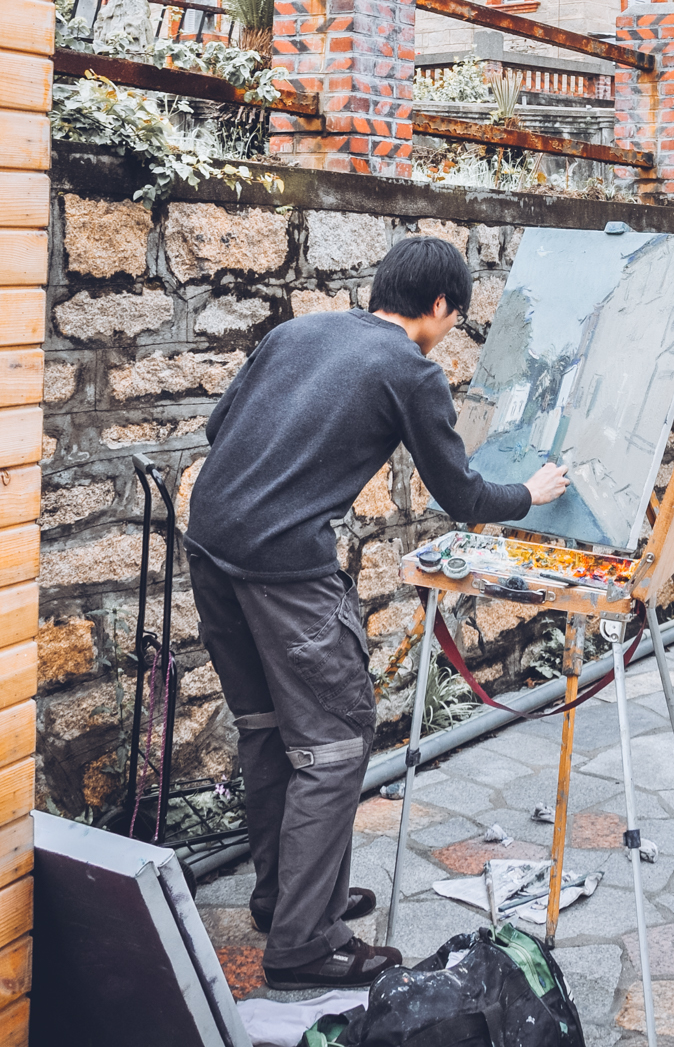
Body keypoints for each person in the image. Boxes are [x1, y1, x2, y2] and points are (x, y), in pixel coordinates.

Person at [184, 233, 568, 992]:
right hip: (284, 568)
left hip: (210, 544)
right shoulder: (411, 370)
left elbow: (217, 429)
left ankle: (285, 900)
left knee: (267, 728)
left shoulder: (298, 331)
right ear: (440, 305)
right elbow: (459, 494)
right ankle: (303, 945)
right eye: (455, 319)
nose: (450, 331)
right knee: (334, 743)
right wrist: (531, 494)